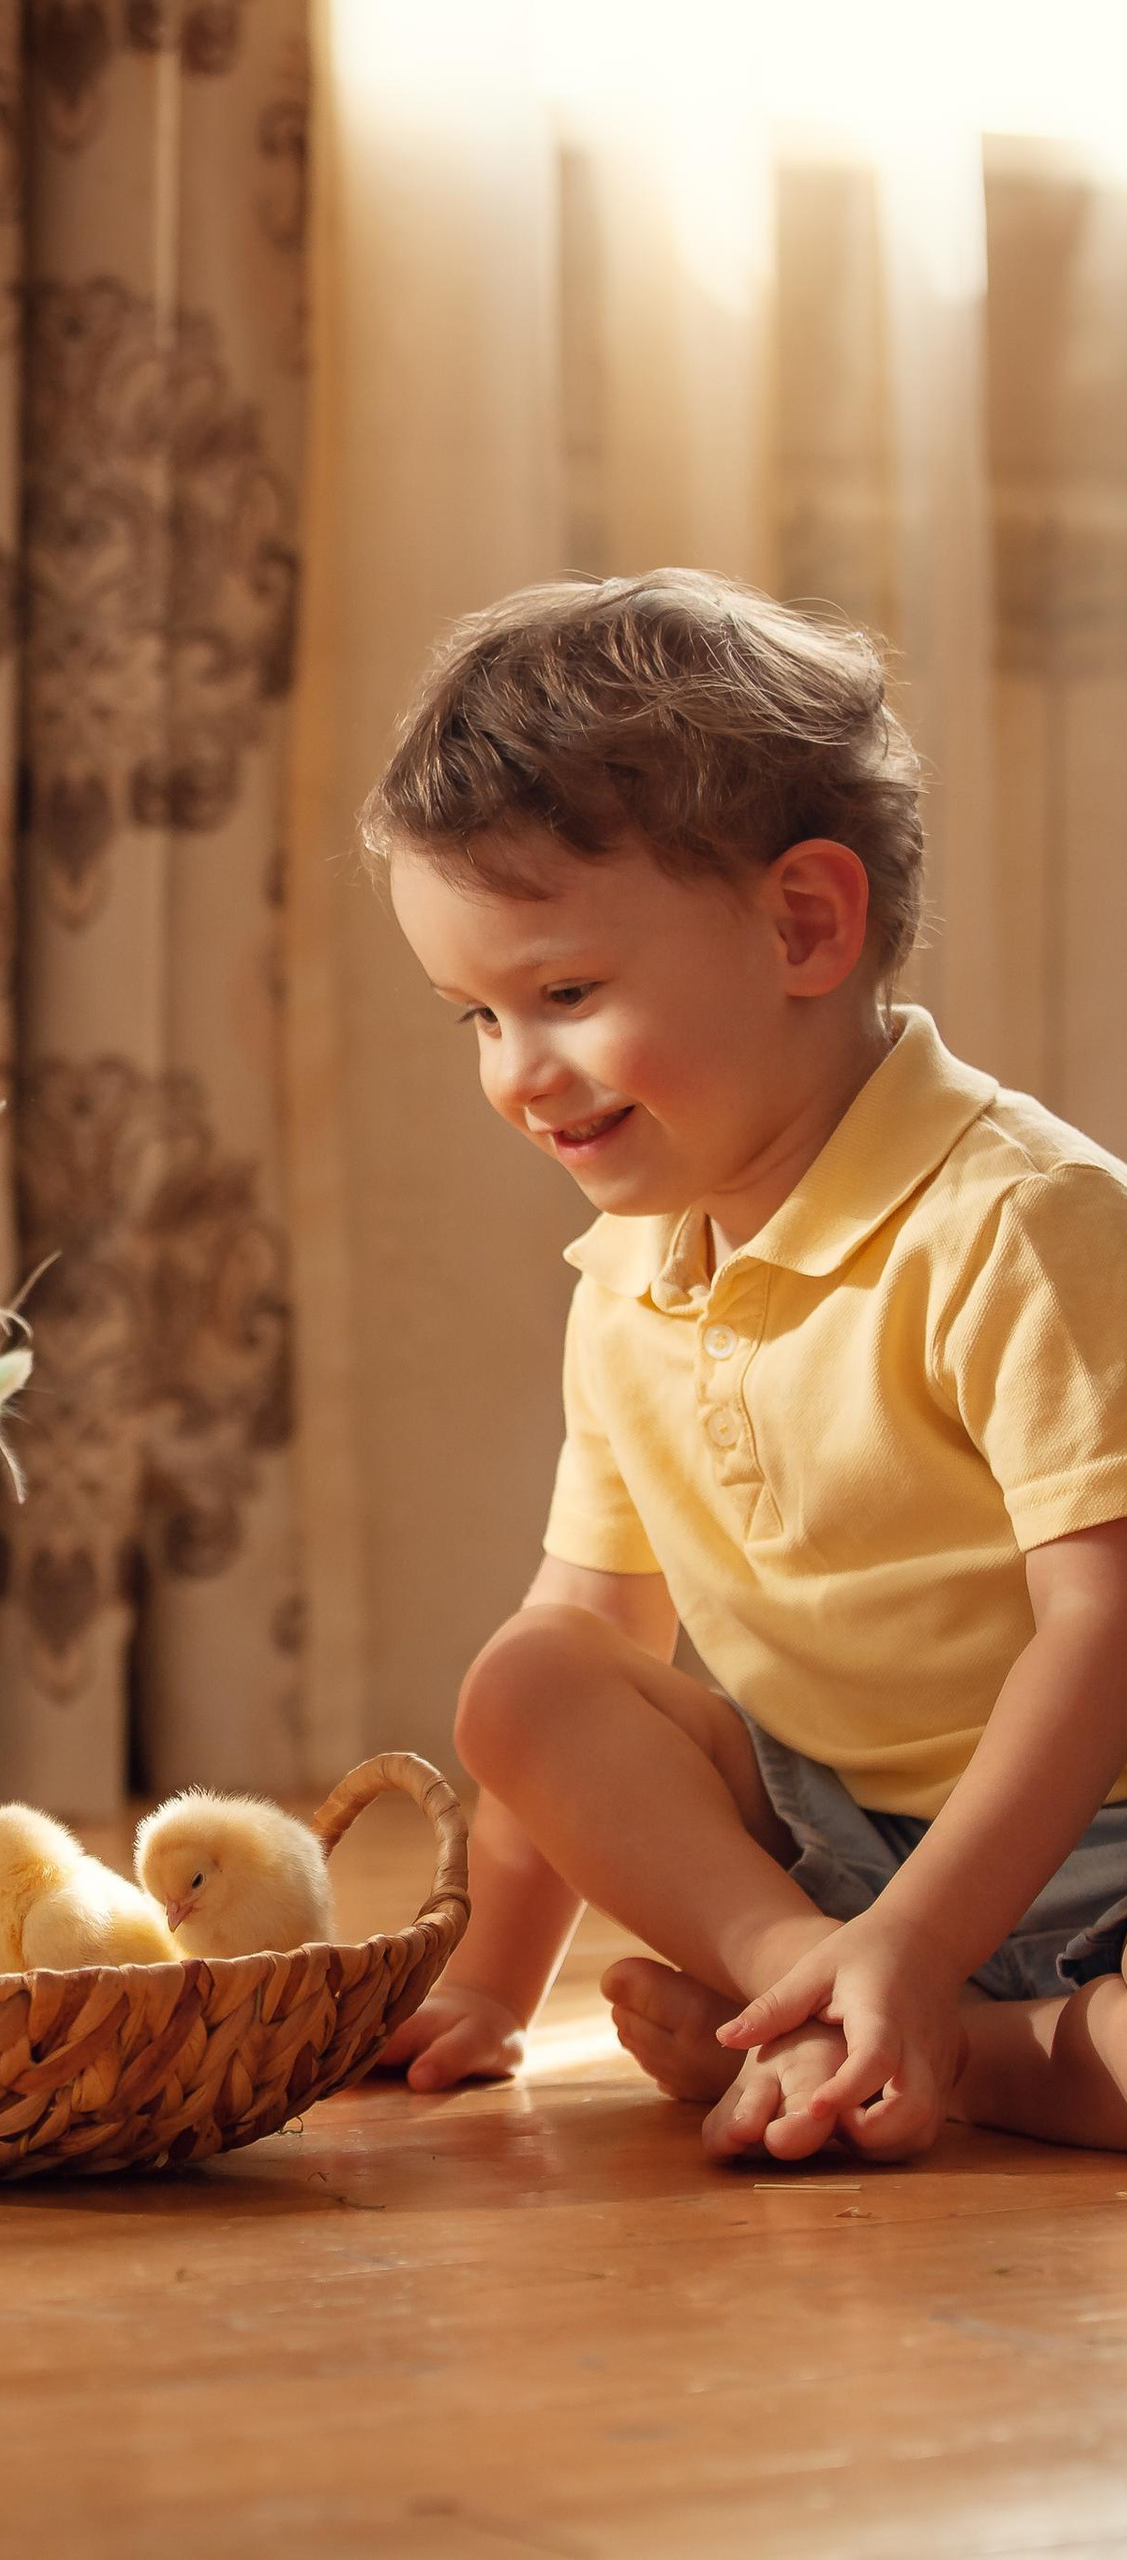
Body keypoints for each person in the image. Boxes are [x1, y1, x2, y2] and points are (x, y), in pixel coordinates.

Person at [368, 571, 1127, 2163]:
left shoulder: (1021, 1220)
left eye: (564, 994)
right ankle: (805, 1997)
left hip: (1104, 1841)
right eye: (475, 1020)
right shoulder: (631, 1278)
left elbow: (1102, 1631)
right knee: (533, 1676)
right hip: (843, 1846)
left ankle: (976, 2052)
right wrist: (493, 1991)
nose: (519, 1075)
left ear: (803, 924)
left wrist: (924, 1946)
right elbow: (587, 1641)